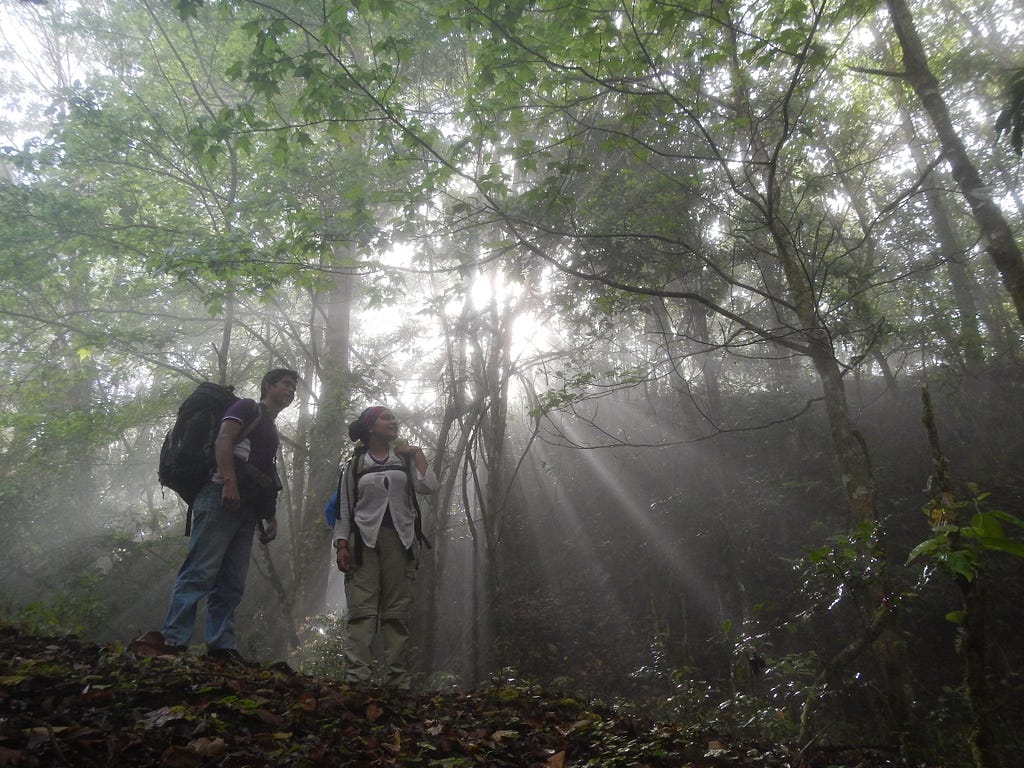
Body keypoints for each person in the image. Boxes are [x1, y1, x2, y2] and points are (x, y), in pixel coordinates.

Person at [133, 368, 299, 665]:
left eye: (294, 387)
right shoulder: (247, 407)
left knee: (231, 581)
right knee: (200, 570)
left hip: (246, 509)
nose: (291, 390)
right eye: (286, 384)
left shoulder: (270, 428)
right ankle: (174, 639)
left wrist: (269, 515)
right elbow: (224, 439)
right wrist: (229, 483)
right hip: (218, 496)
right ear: (268, 386)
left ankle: (221, 647)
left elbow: (263, 473)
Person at [330, 406, 438, 689]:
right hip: (362, 544)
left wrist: (416, 454)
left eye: (393, 417)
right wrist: (341, 544)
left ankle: (397, 681)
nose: (393, 421)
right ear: (370, 427)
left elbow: (429, 486)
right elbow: (345, 507)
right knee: (361, 610)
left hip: (400, 542)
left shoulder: (403, 460)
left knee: (396, 612)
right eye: (385, 418)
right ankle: (358, 679)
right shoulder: (355, 464)